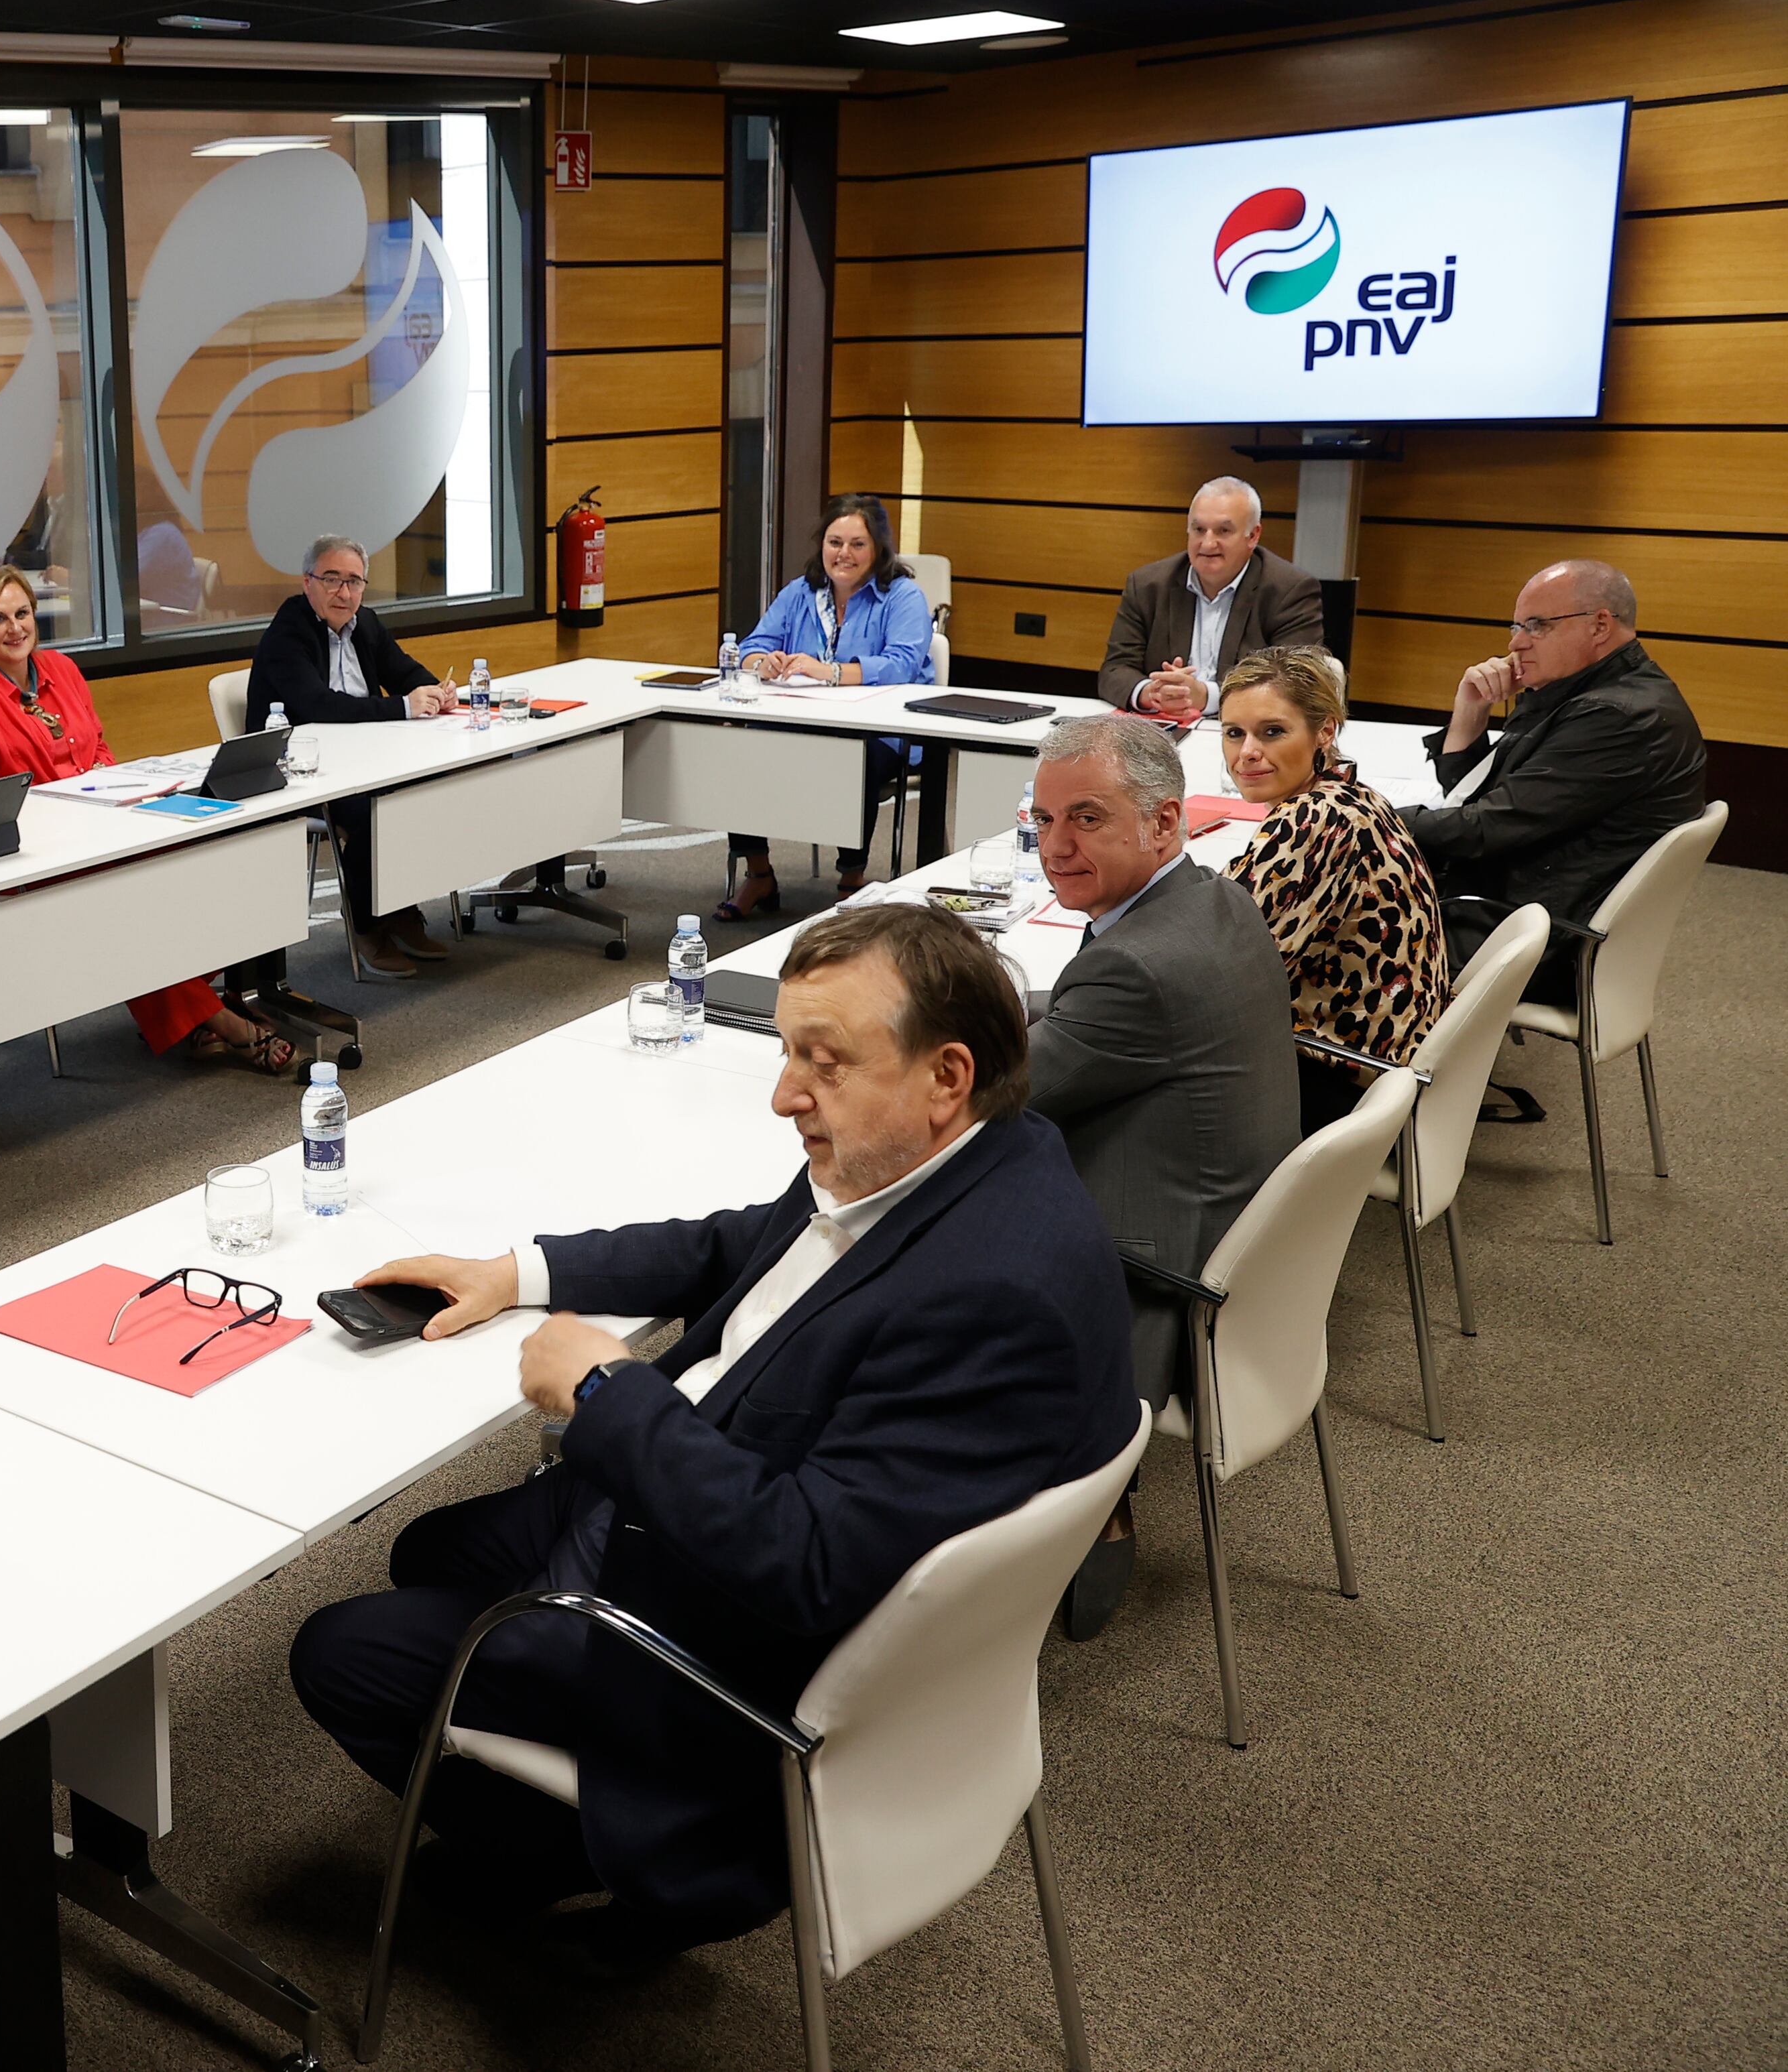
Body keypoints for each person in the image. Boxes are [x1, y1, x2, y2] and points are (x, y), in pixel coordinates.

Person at [289, 906, 1133, 1970]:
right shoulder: (960, 1156)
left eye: (822, 1062)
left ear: (946, 1075)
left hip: (717, 1641)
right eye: (788, 1052)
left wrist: (605, 1392)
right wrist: (521, 1273)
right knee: (429, 1552)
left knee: (337, 1651)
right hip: (710, 1475)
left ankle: (558, 1851)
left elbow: (805, 1563)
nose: (787, 1095)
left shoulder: (990, 1297)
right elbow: (741, 1242)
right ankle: (536, 1794)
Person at [1023, 715, 1297, 1636]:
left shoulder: (1136, 966)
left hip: (1149, 1274)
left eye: (1087, 819)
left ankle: (1075, 1507)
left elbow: (988, 1104)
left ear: (1164, 821)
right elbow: (1093, 1030)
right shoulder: (1217, 900)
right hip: (1231, 1238)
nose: (1057, 846)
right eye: (1044, 820)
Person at [0, 568, 294, 1071]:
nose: (15, 629)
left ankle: (194, 1011)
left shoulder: (61, 669)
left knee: (202, 855)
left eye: (22, 614)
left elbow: (97, 746)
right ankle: (224, 1022)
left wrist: (110, 781)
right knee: (127, 899)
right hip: (32, 858)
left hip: (102, 828)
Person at [1408, 558, 1706, 1004]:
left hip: (1534, 938)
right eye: (1516, 625)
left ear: (1600, 625)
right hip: (1526, 908)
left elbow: (1485, 828)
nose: (1515, 642)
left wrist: (1364, 815)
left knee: (1327, 935)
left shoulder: (1617, 718)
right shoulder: (1584, 692)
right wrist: (1470, 708)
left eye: (1536, 626)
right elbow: (1473, 795)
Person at [1214, 648, 1449, 1134]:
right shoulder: (1352, 795)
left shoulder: (1313, 819)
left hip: (1341, 1079)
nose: (1247, 753)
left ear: (1325, 731)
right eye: (1234, 732)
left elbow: (1223, 972)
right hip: (1386, 1065)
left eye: (1272, 731)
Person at [243, 534, 455, 977]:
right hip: (304, 770)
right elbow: (320, 708)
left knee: (429, 792)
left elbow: (405, 671)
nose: (345, 593)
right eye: (333, 580)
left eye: (354, 582)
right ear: (308, 583)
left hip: (367, 756)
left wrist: (437, 690)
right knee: (376, 810)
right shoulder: (289, 632)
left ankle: (398, 908)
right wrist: (402, 706)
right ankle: (365, 923)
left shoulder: (367, 624)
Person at [715, 493, 935, 919]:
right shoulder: (800, 592)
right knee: (737, 753)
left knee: (854, 759)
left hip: (880, 734)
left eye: (857, 544)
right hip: (801, 724)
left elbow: (902, 665)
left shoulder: (903, 595)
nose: (844, 554)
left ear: (878, 549)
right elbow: (752, 646)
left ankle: (852, 878)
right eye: (835, 542)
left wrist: (829, 671)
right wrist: (763, 663)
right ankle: (758, 874)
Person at [1095, 479, 1323, 718]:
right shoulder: (1147, 585)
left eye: (1223, 531)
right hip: (1164, 730)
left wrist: (1206, 696)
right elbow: (1115, 669)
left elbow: (1297, 684)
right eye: (1199, 530)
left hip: (1248, 734)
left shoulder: (1290, 590)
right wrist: (1151, 693)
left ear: (1253, 536)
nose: (1207, 543)